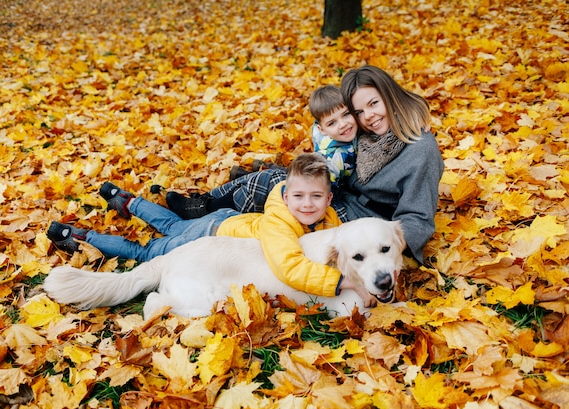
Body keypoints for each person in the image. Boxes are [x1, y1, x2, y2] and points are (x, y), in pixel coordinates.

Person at [164, 65, 445, 264]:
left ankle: (206, 212)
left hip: (365, 220)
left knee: (281, 185)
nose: (367, 116)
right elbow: (331, 128)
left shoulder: (420, 150)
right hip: (343, 195)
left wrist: (382, 253)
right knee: (280, 176)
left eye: (374, 104)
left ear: (390, 96)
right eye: (359, 111)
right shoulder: (373, 132)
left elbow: (418, 220)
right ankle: (204, 203)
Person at [47, 153, 365, 300]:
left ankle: (129, 202)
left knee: (173, 225)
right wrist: (339, 282)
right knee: (146, 252)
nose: (307, 204)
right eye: (299, 196)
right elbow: (287, 265)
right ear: (285, 194)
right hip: (214, 239)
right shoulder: (280, 222)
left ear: (329, 198)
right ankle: (82, 236)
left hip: (223, 222)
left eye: (316, 197)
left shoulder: (328, 219)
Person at [165, 84, 359, 220]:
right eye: (332, 122)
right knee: (269, 176)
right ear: (322, 128)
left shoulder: (339, 158)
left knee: (268, 181)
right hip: (317, 175)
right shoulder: (326, 132)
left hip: (327, 195)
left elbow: (322, 185)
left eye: (346, 115)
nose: (343, 125)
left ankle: (207, 208)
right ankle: (207, 199)